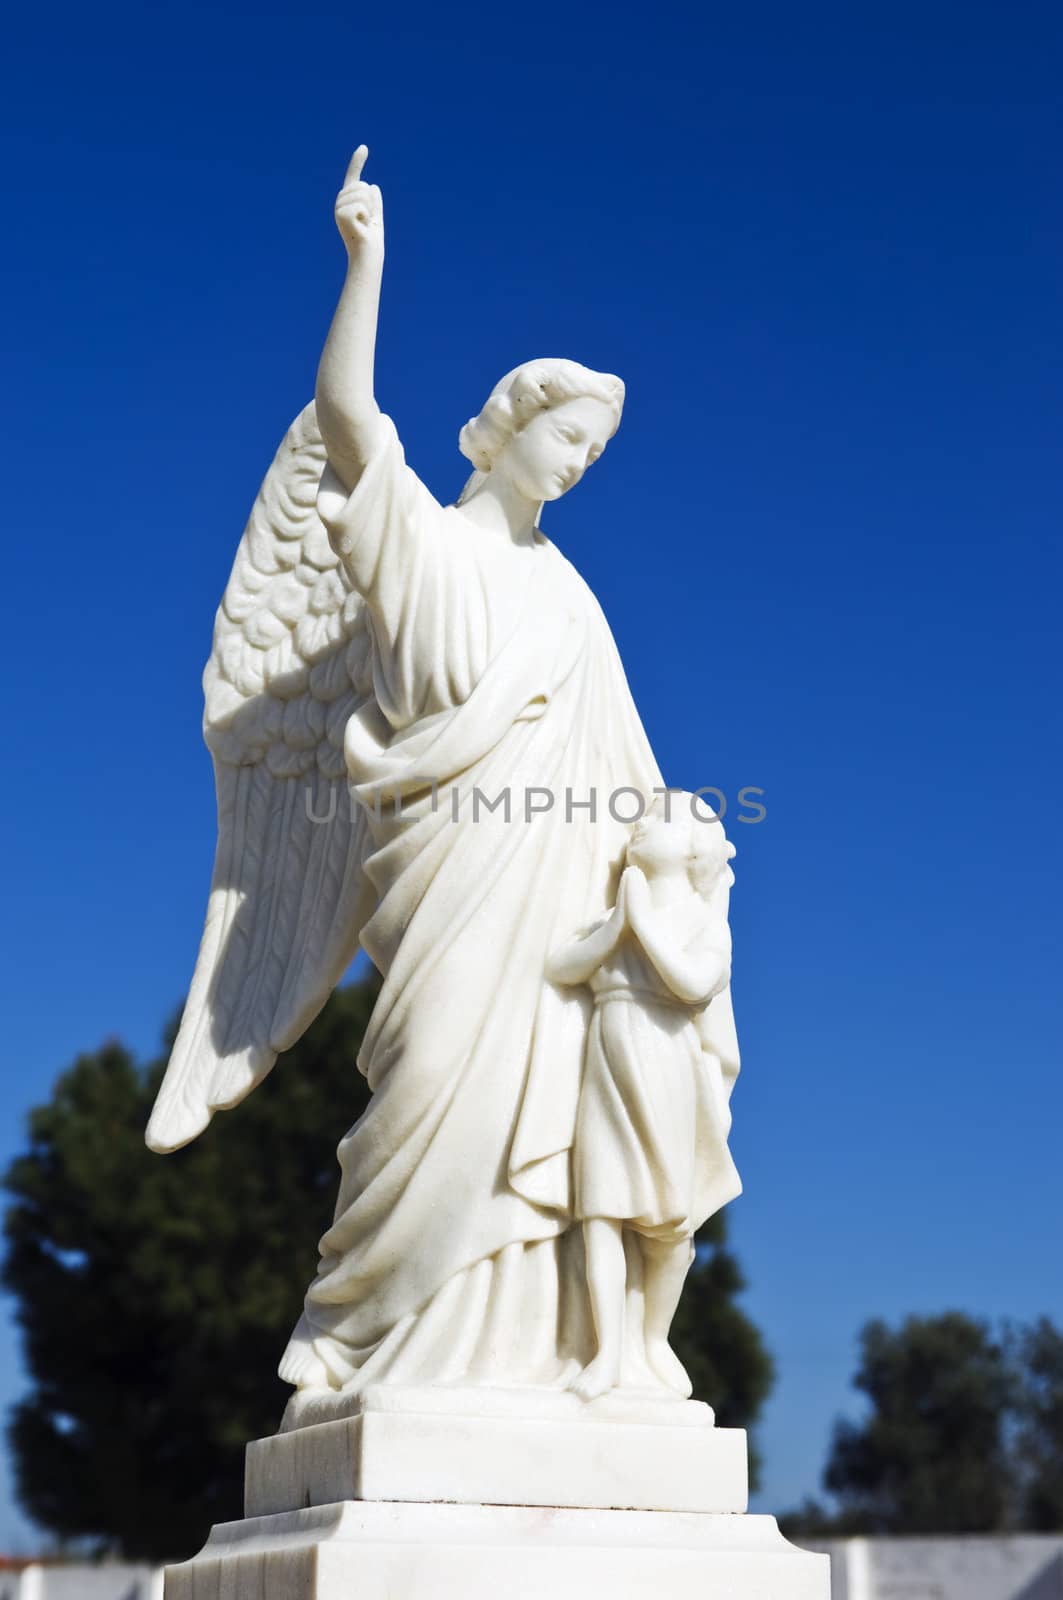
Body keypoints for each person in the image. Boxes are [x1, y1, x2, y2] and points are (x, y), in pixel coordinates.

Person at [547, 796, 741, 1400]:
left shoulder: (703, 921)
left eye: (657, 821)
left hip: (667, 1067)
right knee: (601, 1211)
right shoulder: (617, 911)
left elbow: (693, 985)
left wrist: (641, 926)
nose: (640, 827)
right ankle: (607, 1354)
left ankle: (653, 1339)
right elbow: (563, 967)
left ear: (692, 851)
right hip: (609, 1061)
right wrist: (615, 928)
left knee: (671, 1227)